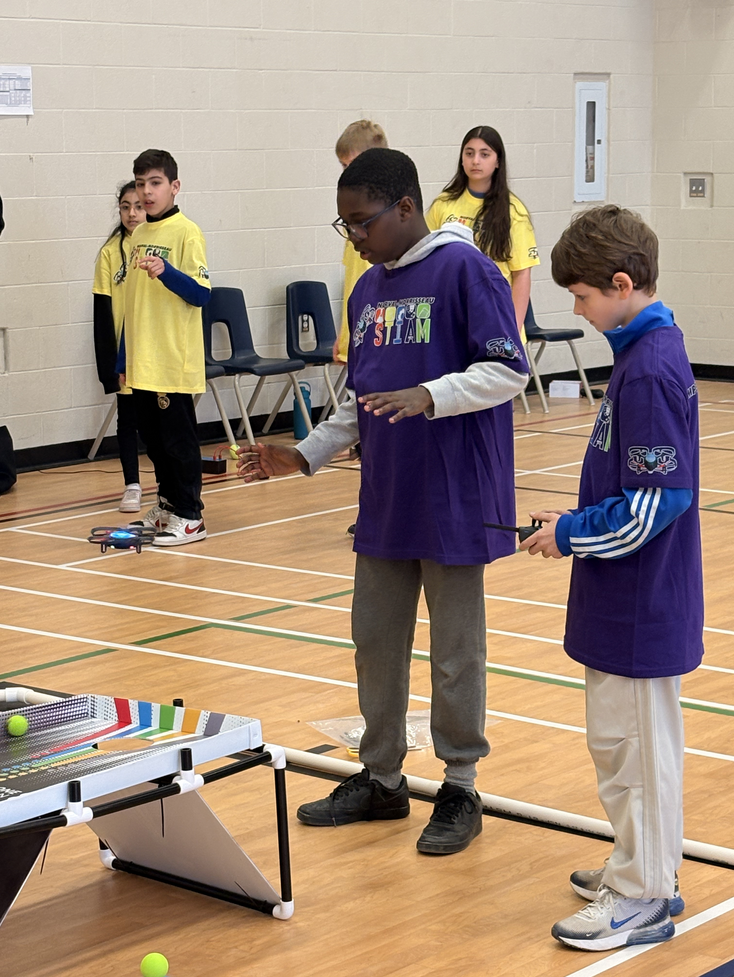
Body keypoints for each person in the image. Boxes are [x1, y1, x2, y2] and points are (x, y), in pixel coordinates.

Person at [238, 148, 528, 855]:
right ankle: (383, 778)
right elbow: (360, 405)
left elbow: (509, 370)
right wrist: (302, 453)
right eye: (344, 226)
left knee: (457, 650)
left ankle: (460, 785)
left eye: (361, 221)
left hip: (456, 495)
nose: (355, 237)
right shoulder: (366, 291)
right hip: (388, 498)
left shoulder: (467, 271)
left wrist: (433, 394)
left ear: (405, 206)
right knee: (375, 641)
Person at [520, 205, 703, 951]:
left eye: (583, 295)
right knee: (617, 748)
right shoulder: (637, 355)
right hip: (617, 599)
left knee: (638, 753)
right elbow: (628, 489)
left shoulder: (652, 367)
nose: (576, 308)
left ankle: (645, 894)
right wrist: (574, 517)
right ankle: (637, 864)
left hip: (642, 605)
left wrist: (569, 534)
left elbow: (657, 504)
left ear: (622, 285)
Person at [122, 148, 211, 545]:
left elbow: (201, 294)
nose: (147, 192)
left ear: (174, 186)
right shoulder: (138, 235)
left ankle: (191, 514)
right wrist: (123, 355)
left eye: (155, 183)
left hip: (172, 359)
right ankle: (168, 504)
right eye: (141, 184)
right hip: (142, 360)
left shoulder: (187, 232)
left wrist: (167, 272)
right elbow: (131, 304)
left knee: (178, 440)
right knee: (154, 441)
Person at [426, 125, 539, 336]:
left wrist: (511, 331)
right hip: (452, 315)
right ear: (462, 159)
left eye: (484, 154)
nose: (475, 161)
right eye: (469, 153)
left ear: (497, 162)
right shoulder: (443, 204)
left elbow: (522, 275)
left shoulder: (514, 211)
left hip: (496, 317)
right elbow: (426, 260)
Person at [333, 120, 389, 537]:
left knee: (378, 433)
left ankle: (381, 509)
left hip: (384, 335)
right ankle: (370, 508)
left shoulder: (386, 225)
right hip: (359, 335)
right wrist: (344, 337)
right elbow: (352, 288)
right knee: (361, 430)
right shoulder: (353, 227)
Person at [92, 181, 146, 512]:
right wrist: (108, 366)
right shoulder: (110, 253)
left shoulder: (159, 245)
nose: (131, 213)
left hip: (153, 351)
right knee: (126, 420)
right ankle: (132, 485)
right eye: (125, 207)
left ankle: (171, 483)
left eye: (138, 206)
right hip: (125, 356)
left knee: (157, 422)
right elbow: (101, 313)